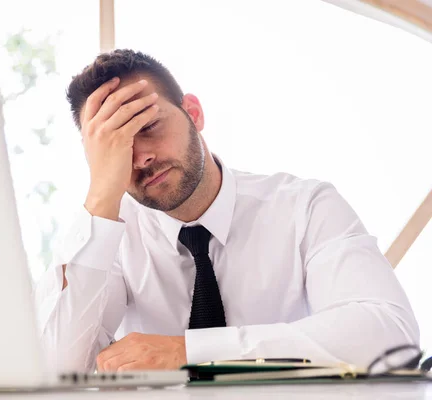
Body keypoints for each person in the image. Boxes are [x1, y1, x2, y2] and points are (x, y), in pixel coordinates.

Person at [34, 49, 419, 373]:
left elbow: (391, 336)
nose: (141, 157)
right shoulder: (106, 237)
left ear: (194, 114)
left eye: (148, 126)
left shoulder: (305, 207)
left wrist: (192, 353)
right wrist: (101, 200)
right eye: (115, 147)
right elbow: (58, 370)